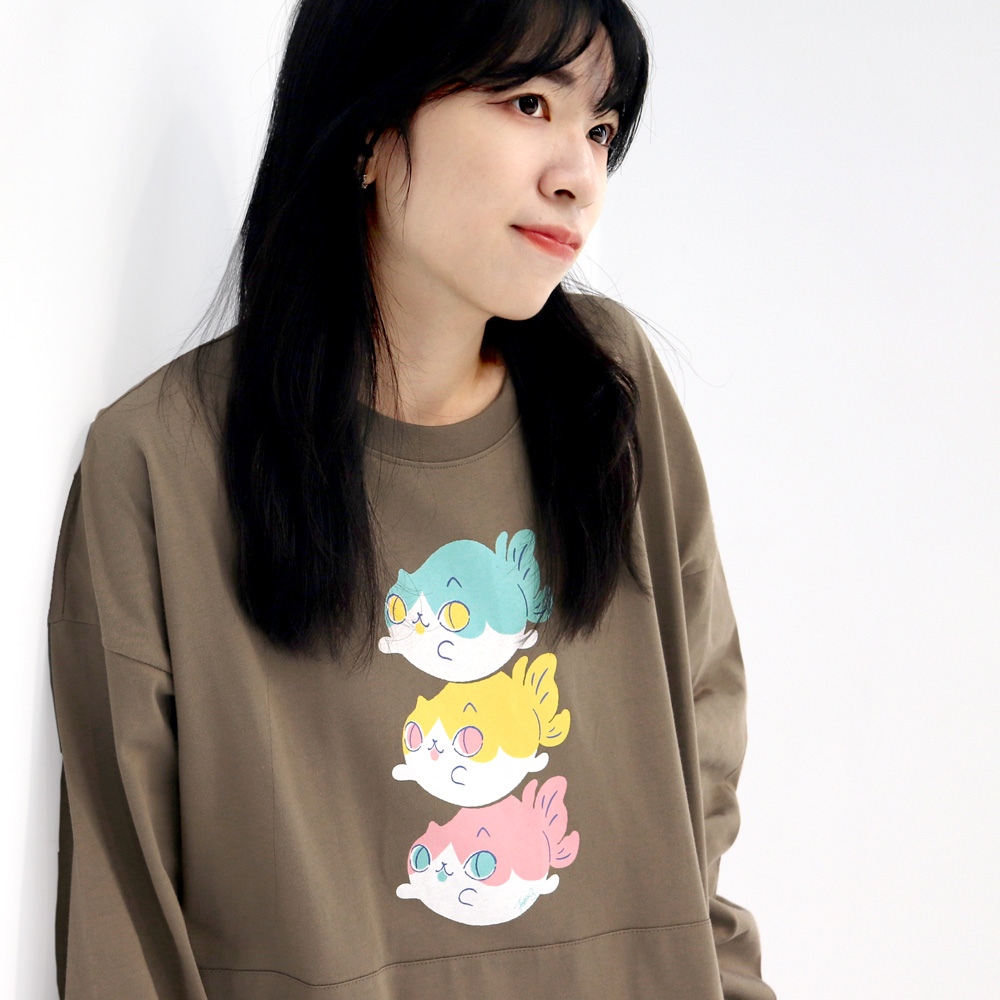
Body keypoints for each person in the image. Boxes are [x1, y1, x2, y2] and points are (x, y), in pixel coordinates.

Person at [46, 1, 776, 997]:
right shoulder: (161, 465)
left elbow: (703, 735)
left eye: (601, 128)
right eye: (529, 103)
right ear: (369, 130)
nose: (579, 175)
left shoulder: (611, 393)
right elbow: (121, 919)